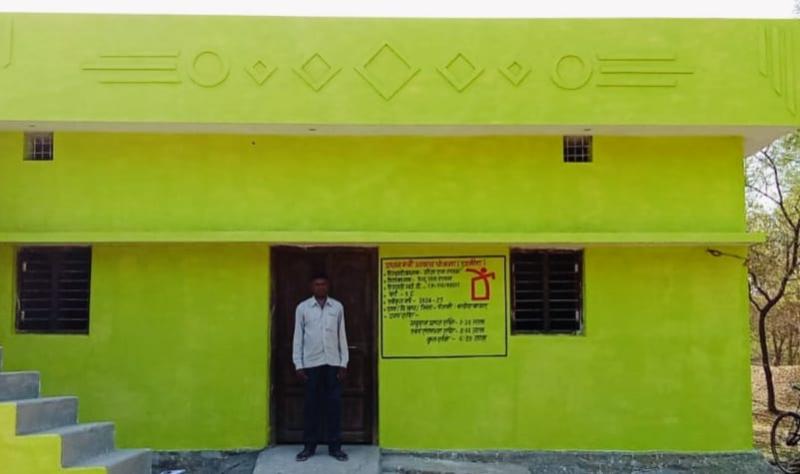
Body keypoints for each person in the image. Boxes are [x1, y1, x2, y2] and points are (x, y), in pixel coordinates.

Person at [292, 273, 349, 462]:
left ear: (328, 286)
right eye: (317, 284)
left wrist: (343, 363)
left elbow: (342, 335)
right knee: (311, 407)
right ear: (311, 287)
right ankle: (309, 447)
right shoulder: (303, 308)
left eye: (323, 284)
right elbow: (298, 337)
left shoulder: (337, 307)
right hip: (311, 364)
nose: (320, 287)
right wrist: (298, 364)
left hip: (332, 364)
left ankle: (335, 448)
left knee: (334, 407)